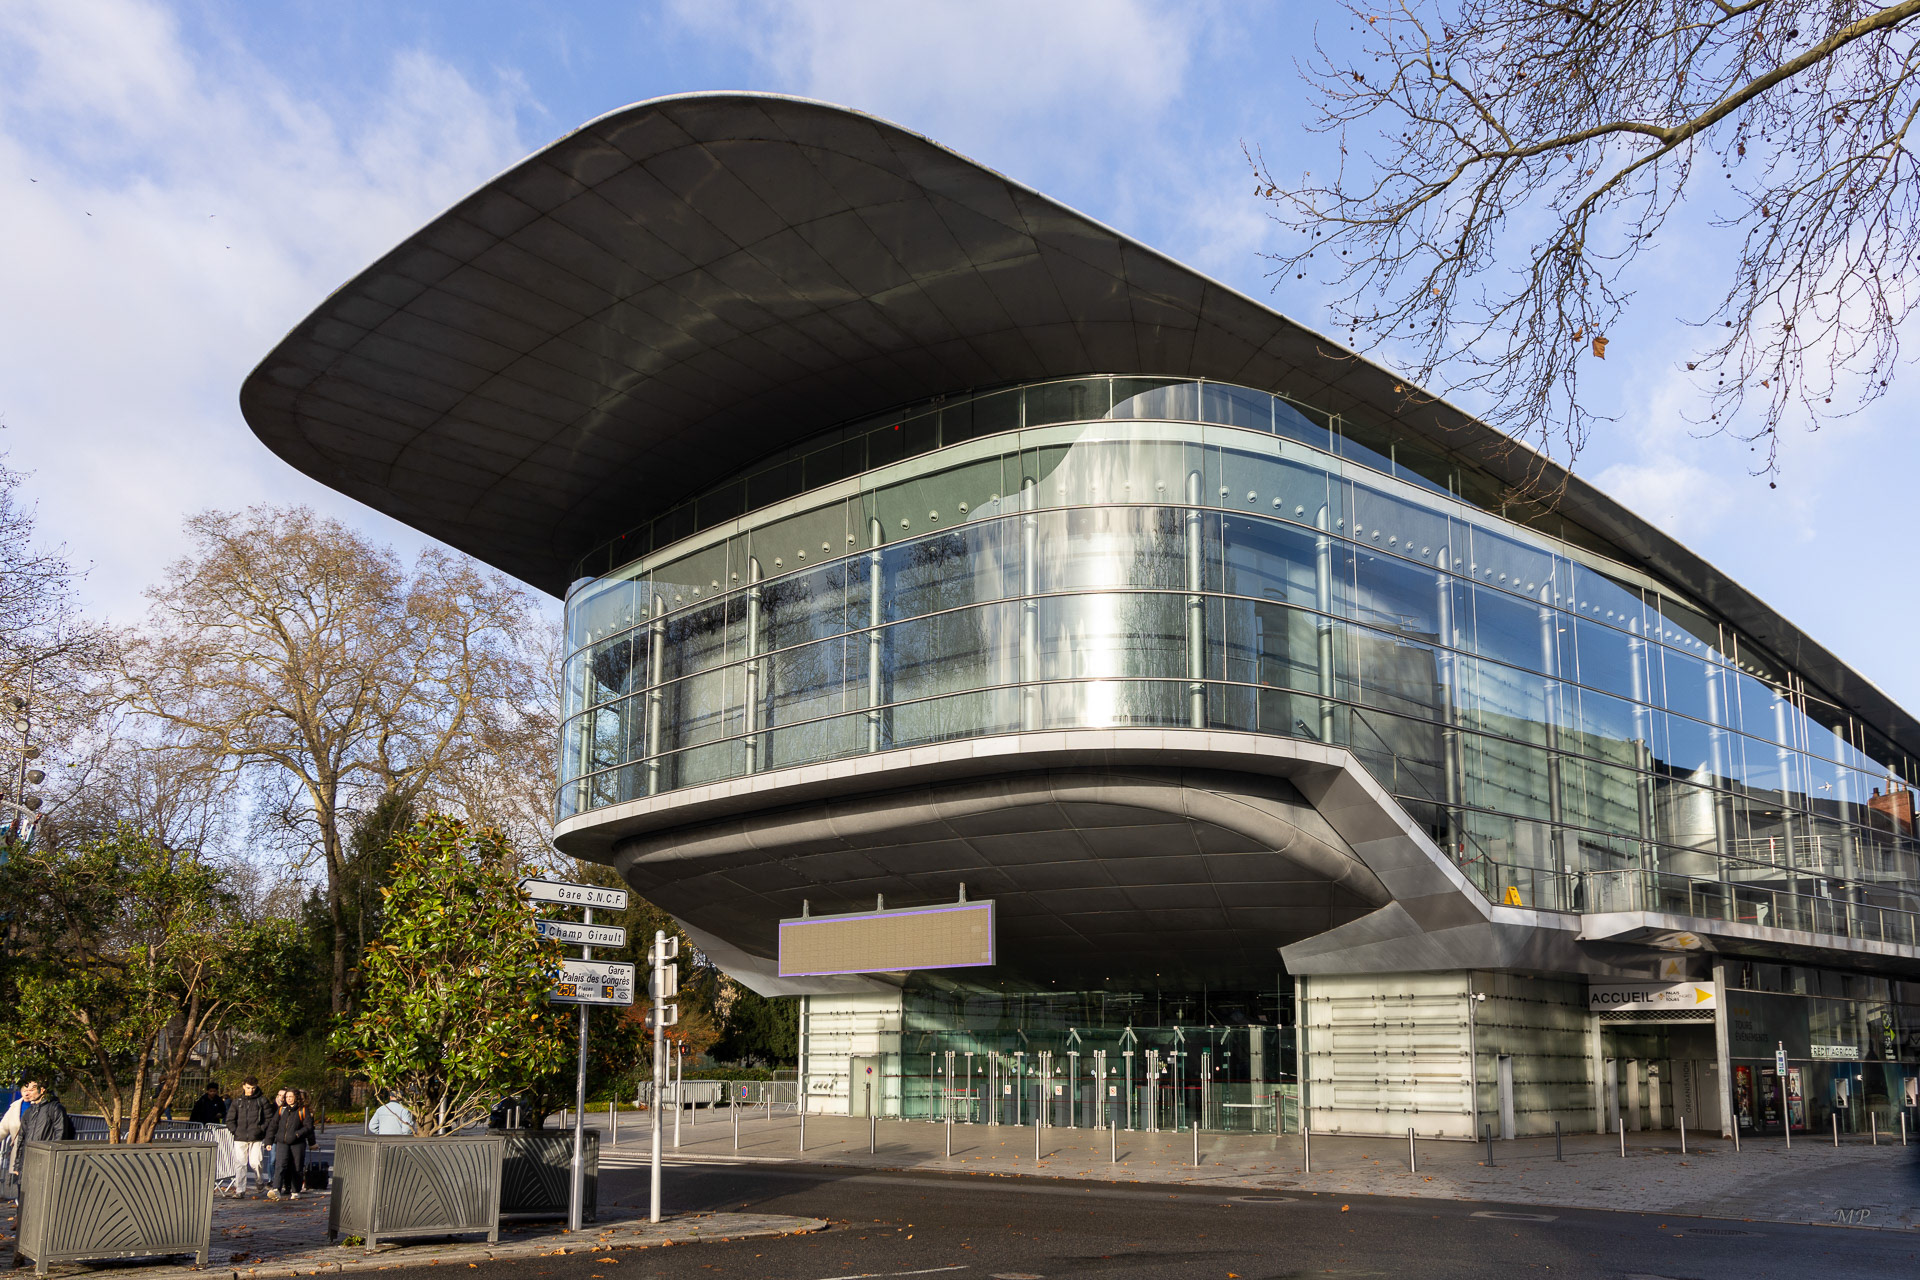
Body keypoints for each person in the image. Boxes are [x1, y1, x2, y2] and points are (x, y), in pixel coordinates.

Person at [12, 1081, 72, 1269]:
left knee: (43, 1211)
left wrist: (51, 1163)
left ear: (42, 1090)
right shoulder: (29, 1112)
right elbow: (21, 1138)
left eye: (31, 1089)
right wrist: (16, 1165)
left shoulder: (55, 1109)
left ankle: (42, 1254)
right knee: (22, 1212)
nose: (27, 1093)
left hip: (44, 1166)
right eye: (25, 1089)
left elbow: (60, 1137)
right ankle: (19, 1254)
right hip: (26, 1167)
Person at [225, 1078, 272, 1198]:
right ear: (243, 1086)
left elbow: (268, 1118)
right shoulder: (237, 1101)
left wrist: (260, 1129)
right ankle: (240, 1190)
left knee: (256, 1162)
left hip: (256, 1137)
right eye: (248, 1087)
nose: (250, 1090)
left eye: (253, 1088)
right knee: (240, 1163)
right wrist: (235, 1131)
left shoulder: (261, 1100)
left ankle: (259, 1179)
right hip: (240, 1137)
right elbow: (230, 1119)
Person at [268, 1090, 315, 1201]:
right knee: (280, 1165)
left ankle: (295, 1190)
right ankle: (276, 1189)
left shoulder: (303, 1110)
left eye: (291, 1096)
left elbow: (308, 1127)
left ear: (296, 1097)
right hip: (282, 1142)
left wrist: (298, 1134)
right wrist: (268, 1141)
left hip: (297, 1143)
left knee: (297, 1167)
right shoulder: (281, 1110)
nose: (288, 1099)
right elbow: (273, 1126)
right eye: (287, 1096)